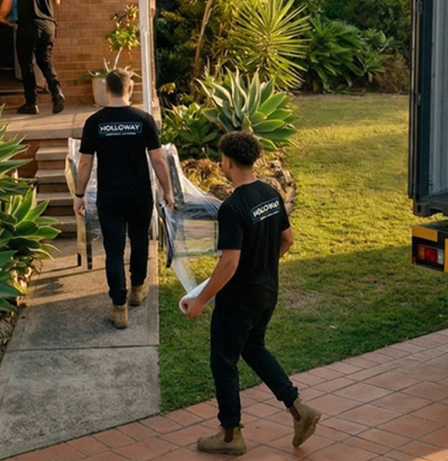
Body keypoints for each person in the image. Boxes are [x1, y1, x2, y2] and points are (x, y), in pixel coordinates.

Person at [183, 131, 321, 455]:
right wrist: (262, 266)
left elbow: (229, 263)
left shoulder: (232, 207)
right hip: (267, 292)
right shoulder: (270, 194)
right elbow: (287, 240)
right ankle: (299, 410)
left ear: (227, 162)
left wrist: (201, 300)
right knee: (254, 348)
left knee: (223, 361)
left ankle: (230, 435)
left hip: (239, 300)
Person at [74, 68, 174, 329]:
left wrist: (79, 194)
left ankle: (119, 309)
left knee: (114, 250)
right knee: (140, 240)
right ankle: (138, 289)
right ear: (130, 89)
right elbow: (158, 159)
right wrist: (168, 189)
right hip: (139, 195)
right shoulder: (143, 119)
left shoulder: (95, 122)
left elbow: (85, 163)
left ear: (106, 89)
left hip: (110, 197)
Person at [0, 0, 65, 115]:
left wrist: (1, 17)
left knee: (26, 65)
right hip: (48, 26)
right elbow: (57, 2)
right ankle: (57, 93)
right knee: (45, 61)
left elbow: (6, 5)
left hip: (28, 27)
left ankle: (31, 103)